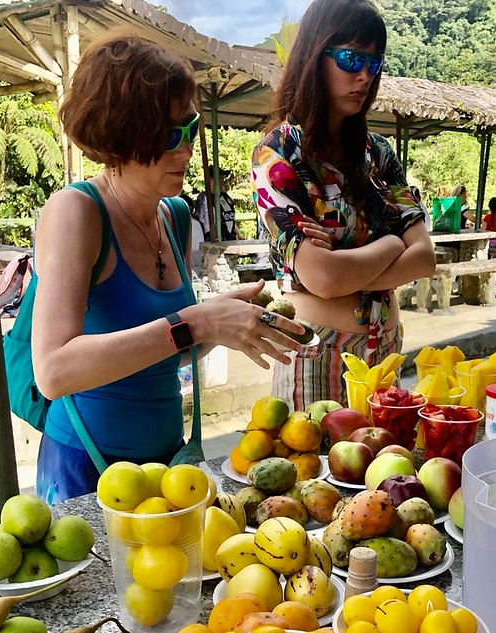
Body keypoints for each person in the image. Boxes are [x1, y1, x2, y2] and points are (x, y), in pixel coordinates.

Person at [31, 30, 303, 503]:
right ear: (120, 136)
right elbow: (53, 370)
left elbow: (162, 350)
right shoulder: (78, 212)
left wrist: (217, 327)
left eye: (191, 128)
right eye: (168, 135)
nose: (186, 149)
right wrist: (194, 322)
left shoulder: (173, 215)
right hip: (88, 467)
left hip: (167, 463)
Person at [251, 0, 435, 409]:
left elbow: (424, 259)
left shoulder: (378, 154)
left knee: (389, 471)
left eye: (374, 63)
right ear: (316, 56)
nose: (365, 76)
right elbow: (323, 279)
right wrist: (391, 245)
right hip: (319, 354)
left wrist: (342, 270)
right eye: (352, 59)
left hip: (386, 349)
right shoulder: (278, 157)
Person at [194, 170, 237, 241]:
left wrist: (238, 233)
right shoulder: (204, 198)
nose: (222, 180)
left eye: (223, 178)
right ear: (210, 180)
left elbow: (230, 218)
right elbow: (199, 220)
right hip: (212, 239)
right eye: (219, 178)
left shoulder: (225, 196)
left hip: (230, 238)